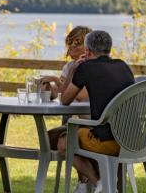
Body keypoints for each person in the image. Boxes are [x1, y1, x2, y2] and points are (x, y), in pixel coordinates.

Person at [57, 30, 135, 193]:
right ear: (109, 49)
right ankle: (96, 184)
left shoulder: (86, 68)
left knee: (64, 142)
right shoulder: (124, 66)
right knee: (75, 133)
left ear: (87, 51)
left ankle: (101, 183)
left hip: (109, 143)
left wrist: (73, 70)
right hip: (132, 141)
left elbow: (64, 100)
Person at [39, 26, 93, 193]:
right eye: (70, 42)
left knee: (66, 140)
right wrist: (50, 87)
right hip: (76, 122)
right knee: (47, 139)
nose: (72, 46)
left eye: (78, 43)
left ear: (88, 47)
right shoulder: (70, 66)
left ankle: (88, 182)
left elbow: (81, 95)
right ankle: (85, 180)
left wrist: (57, 80)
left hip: (93, 122)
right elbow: (62, 95)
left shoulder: (92, 67)